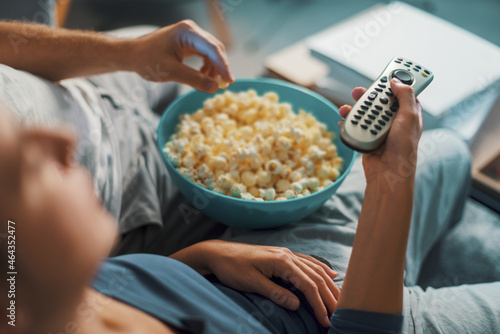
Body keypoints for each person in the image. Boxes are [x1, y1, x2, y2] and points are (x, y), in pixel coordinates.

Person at [0, 19, 499, 334]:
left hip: (260, 261)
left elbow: (126, 283)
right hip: (341, 309)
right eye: (24, 171)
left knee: (450, 151)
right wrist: (392, 181)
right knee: (431, 153)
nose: (61, 139)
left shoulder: (43, 294)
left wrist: (203, 258)